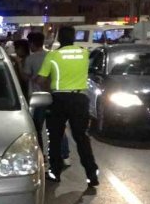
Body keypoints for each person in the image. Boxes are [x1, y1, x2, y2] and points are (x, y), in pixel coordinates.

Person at [37, 25, 100, 186]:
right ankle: (92, 174)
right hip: (80, 99)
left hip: (58, 99)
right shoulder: (84, 53)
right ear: (74, 38)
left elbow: (41, 80)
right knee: (82, 138)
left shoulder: (53, 56)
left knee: (55, 137)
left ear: (59, 39)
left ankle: (55, 172)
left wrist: (50, 89)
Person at [21, 32, 71, 166]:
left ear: (31, 43)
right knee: (58, 126)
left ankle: (41, 156)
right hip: (55, 95)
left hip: (38, 98)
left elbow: (25, 77)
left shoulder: (31, 59)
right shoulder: (53, 55)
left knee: (37, 128)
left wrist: (19, 64)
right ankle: (65, 155)